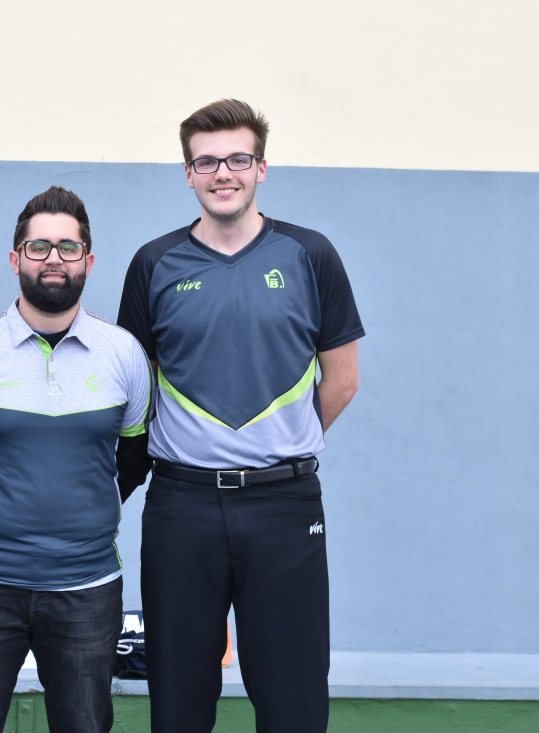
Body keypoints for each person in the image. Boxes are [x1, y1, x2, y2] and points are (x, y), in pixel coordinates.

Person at [117, 99, 364, 733]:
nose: (222, 173)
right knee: (178, 702)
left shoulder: (310, 254)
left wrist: (277, 446)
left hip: (284, 506)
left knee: (293, 702)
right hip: (182, 506)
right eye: (207, 162)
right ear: (188, 174)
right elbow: (135, 389)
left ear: (261, 168)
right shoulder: (153, 263)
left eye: (237, 159)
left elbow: (342, 380)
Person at [0, 186, 154, 733]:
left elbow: (133, 459)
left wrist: (80, 515)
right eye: (38, 246)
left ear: (88, 261)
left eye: (68, 247)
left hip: (87, 588)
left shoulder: (124, 354)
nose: (53, 259)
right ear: (15, 258)